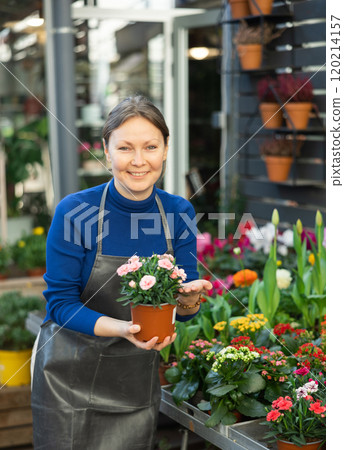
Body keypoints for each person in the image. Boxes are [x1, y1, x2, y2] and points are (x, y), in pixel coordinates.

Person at [31, 95, 212, 449]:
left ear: (165, 148)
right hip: (66, 380)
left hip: (133, 381)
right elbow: (60, 305)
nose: (139, 160)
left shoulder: (178, 212)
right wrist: (123, 329)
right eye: (125, 148)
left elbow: (184, 311)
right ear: (106, 150)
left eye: (150, 146)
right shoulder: (75, 211)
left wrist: (189, 301)